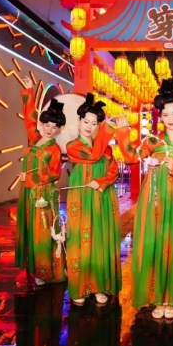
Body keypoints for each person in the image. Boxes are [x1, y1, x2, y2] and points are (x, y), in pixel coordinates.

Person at [113, 79, 173, 319]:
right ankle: (155, 297)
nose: (170, 118)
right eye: (165, 114)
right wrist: (123, 131)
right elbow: (131, 157)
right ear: (160, 116)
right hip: (153, 200)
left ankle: (171, 298)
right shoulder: (152, 141)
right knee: (154, 241)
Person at [65, 93, 122, 306]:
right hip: (81, 198)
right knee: (79, 237)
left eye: (94, 123)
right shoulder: (73, 146)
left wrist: (102, 181)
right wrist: (108, 129)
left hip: (102, 196)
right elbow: (92, 156)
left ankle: (99, 285)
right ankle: (80, 286)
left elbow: (114, 170)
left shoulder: (106, 147)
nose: (89, 126)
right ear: (79, 121)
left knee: (100, 237)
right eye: (86, 121)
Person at [15, 76, 66, 286]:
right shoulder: (35, 138)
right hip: (28, 192)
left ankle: (44, 270)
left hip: (43, 195)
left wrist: (30, 177)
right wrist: (29, 89)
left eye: (54, 126)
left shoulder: (54, 149)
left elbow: (54, 174)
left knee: (42, 231)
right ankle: (33, 265)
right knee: (30, 229)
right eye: (47, 124)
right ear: (42, 124)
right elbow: (29, 117)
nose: (49, 129)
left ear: (59, 129)